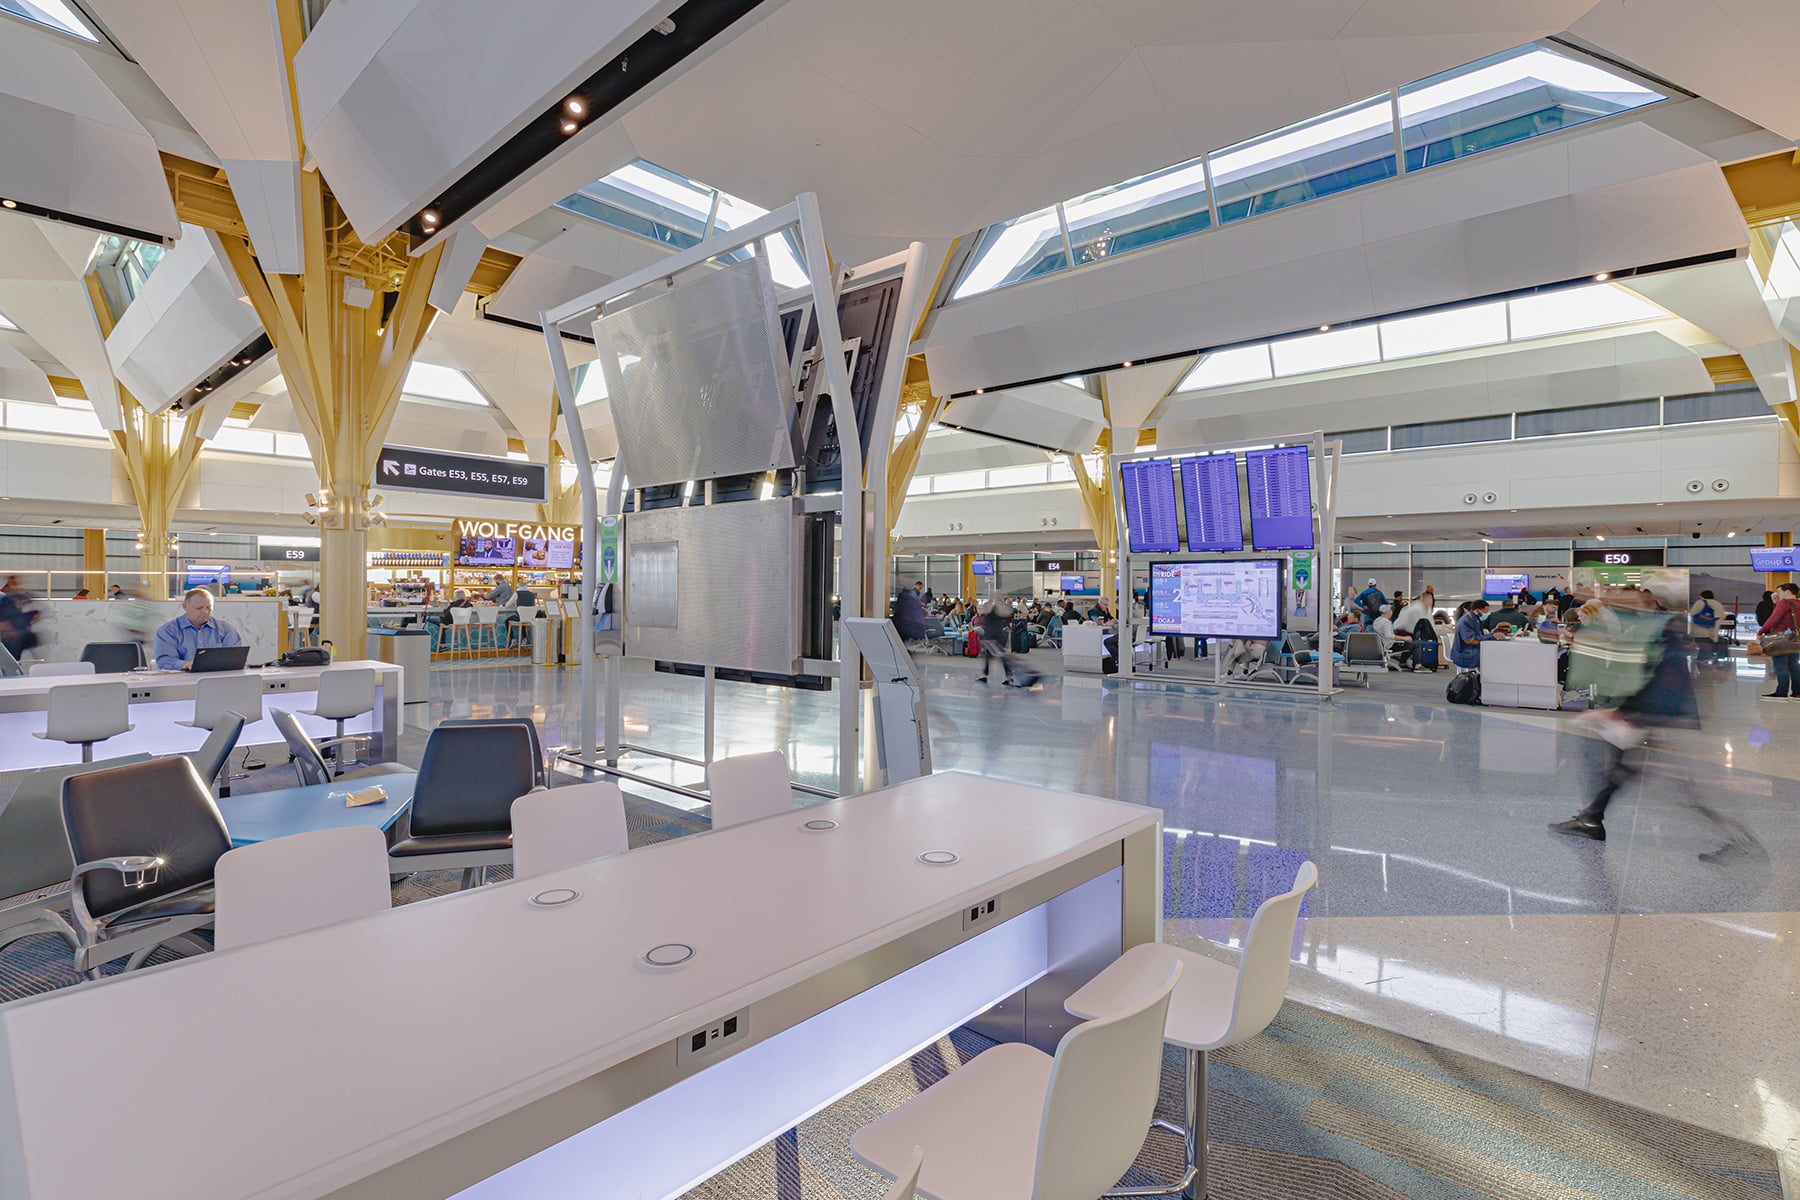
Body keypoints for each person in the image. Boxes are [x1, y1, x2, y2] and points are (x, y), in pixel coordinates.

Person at [153, 587, 244, 670]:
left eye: (209, 608)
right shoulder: (168, 631)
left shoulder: (225, 629)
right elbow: (165, 662)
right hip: (181, 682)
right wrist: (186, 665)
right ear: (184, 606)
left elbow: (235, 658)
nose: (205, 612)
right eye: (199, 608)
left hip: (217, 681)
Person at [1757, 582, 1800, 699]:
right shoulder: (1798, 603)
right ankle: (1797, 691)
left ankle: (1781, 692)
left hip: (1780, 639)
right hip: (1795, 639)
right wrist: (1776, 603)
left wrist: (1761, 631)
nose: (1778, 594)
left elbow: (1774, 619)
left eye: (1779, 592)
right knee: (1794, 666)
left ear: (1787, 591)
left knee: (1781, 665)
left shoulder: (1784, 603)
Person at [976, 598, 1013, 685]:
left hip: (995, 638)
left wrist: (990, 638)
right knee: (991, 656)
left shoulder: (990, 615)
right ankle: (1007, 676)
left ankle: (1008, 676)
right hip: (1001, 637)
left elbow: (992, 627)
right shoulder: (999, 614)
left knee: (999, 657)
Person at [1451, 600, 1492, 670]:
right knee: (1490, 656)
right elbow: (1469, 640)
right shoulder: (1466, 621)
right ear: (1477, 610)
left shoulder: (1475, 620)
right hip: (1466, 652)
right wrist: (1491, 636)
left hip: (1470, 649)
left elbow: (1478, 636)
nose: (1486, 614)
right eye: (1485, 611)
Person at [1689, 589, 1724, 666]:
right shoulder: (1718, 604)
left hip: (1700, 628)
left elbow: (1692, 613)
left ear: (1701, 596)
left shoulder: (1700, 602)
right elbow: (1721, 615)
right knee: (1707, 644)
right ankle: (1704, 658)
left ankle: (1706, 658)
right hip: (1713, 628)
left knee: (1702, 644)